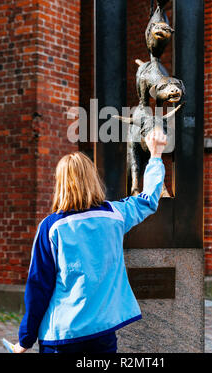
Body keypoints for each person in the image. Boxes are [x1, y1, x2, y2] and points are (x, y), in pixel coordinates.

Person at [13, 127, 167, 353]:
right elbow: (148, 200)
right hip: (102, 334)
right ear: (92, 179)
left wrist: (25, 340)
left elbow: (38, 287)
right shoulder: (116, 215)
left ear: (60, 183)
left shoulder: (51, 227)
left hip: (62, 337)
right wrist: (156, 155)